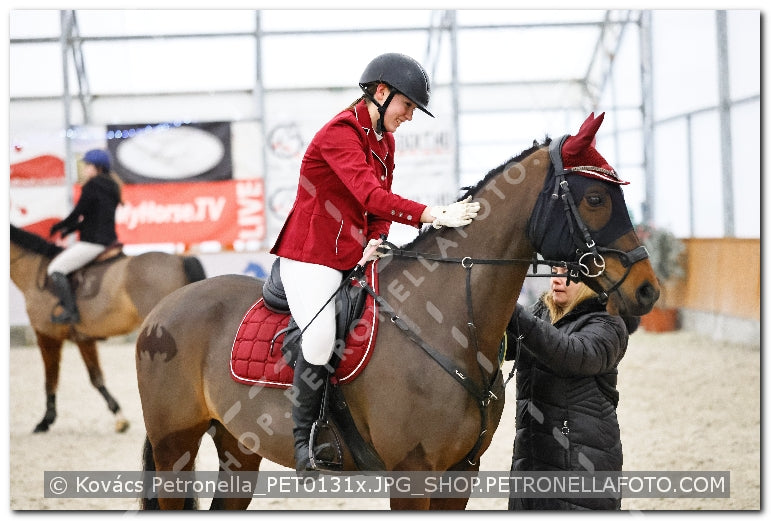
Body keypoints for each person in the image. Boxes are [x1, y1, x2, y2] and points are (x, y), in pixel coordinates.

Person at [270, 52, 480, 472]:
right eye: (407, 106)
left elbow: (378, 211)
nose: (410, 117)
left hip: (352, 254)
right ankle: (303, 440)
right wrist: (432, 214)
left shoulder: (385, 141)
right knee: (320, 337)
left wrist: (377, 240)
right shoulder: (339, 134)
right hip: (310, 256)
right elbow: (370, 195)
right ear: (382, 93)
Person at [504, 266, 640, 510]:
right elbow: (502, 346)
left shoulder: (608, 322)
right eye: (555, 270)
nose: (558, 279)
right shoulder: (541, 312)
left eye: (570, 274)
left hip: (581, 462)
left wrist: (508, 310)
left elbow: (570, 354)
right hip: (531, 456)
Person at [47, 149, 123, 324]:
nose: (84, 168)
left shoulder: (93, 185)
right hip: (109, 240)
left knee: (55, 269)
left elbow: (78, 212)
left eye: (87, 165)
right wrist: (70, 230)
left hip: (94, 243)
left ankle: (70, 311)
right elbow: (92, 217)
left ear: (97, 167)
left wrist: (59, 226)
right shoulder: (112, 185)